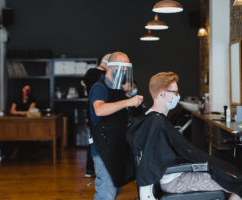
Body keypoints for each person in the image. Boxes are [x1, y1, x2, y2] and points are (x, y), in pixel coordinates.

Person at [128, 72, 242, 200]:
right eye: (175, 92)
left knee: (230, 176)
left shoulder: (152, 118)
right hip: (175, 181)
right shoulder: (157, 123)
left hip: (174, 176)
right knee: (237, 182)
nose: (178, 96)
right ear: (163, 93)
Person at [89, 52, 144, 200]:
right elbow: (99, 110)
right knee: (107, 190)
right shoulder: (99, 87)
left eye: (127, 67)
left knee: (116, 185)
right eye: (121, 67)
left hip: (117, 145)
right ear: (111, 67)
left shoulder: (119, 89)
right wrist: (127, 102)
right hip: (103, 146)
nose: (124, 71)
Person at [83, 53, 111, 178]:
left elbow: (84, 86)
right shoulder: (103, 77)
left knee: (92, 138)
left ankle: (90, 169)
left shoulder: (89, 73)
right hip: (100, 109)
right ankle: (98, 167)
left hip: (90, 109)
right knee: (97, 138)